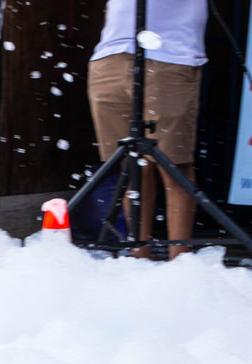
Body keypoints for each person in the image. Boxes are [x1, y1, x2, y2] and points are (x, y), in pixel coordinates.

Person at [87, 0, 208, 259]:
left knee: (173, 165)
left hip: (168, 54)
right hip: (110, 53)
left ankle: (180, 260)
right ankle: (139, 253)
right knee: (131, 165)